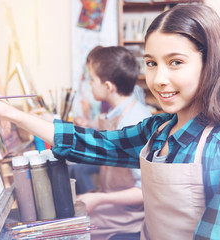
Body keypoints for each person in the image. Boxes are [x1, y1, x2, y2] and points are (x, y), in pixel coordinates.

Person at [0, 3, 220, 239]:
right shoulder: (157, 129)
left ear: (209, 64)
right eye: (152, 63)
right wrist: (8, 111)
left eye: (176, 62)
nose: (159, 79)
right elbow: (89, 143)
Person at [69, 46, 151, 239]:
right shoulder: (118, 112)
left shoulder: (132, 123)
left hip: (127, 219)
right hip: (112, 204)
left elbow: (145, 190)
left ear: (108, 86)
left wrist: (99, 198)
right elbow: (104, 124)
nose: (89, 84)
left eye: (92, 79)